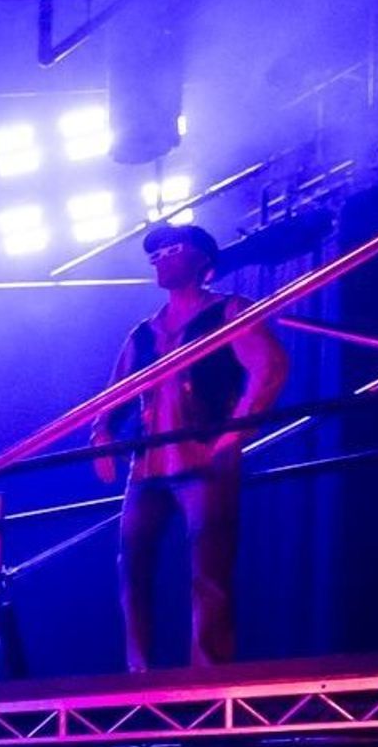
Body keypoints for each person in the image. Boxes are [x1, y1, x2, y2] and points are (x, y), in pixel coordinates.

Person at [93, 221, 285, 671]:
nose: (160, 258)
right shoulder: (144, 331)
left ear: (202, 260)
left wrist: (235, 433)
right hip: (148, 463)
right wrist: (102, 434)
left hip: (202, 457)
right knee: (132, 565)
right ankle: (137, 670)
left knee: (209, 566)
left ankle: (208, 668)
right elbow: (116, 391)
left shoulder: (229, 311)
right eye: (155, 253)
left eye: (172, 249)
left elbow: (269, 366)